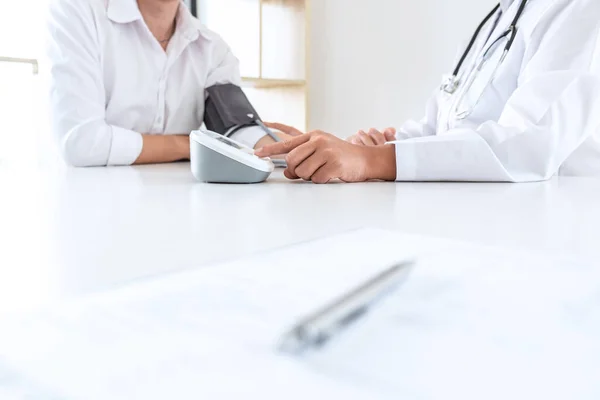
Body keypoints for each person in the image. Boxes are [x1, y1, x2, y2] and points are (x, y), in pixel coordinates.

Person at [257, 0, 600, 184]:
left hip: (548, 233)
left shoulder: (580, 9)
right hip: (481, 220)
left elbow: (528, 145)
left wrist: (373, 160)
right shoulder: (499, 17)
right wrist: (350, 150)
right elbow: (438, 126)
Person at [47, 0, 285, 167]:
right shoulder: (77, 12)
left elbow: (236, 130)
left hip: (178, 207)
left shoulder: (212, 49)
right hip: (86, 208)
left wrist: (293, 150)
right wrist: (191, 145)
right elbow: (82, 143)